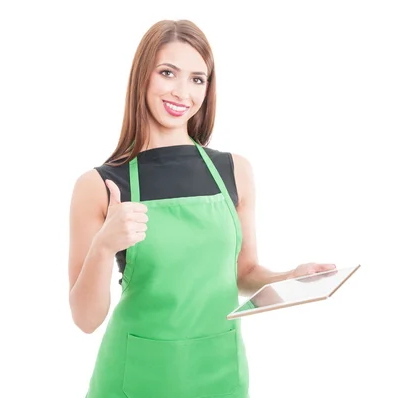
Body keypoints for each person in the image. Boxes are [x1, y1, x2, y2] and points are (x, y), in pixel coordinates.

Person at [68, 19, 336, 398]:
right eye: (167, 73)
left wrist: (292, 275)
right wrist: (103, 246)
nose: (182, 92)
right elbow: (85, 319)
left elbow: (243, 272)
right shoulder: (99, 186)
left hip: (220, 372)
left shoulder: (235, 170)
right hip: (136, 378)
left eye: (198, 79)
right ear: (142, 76)